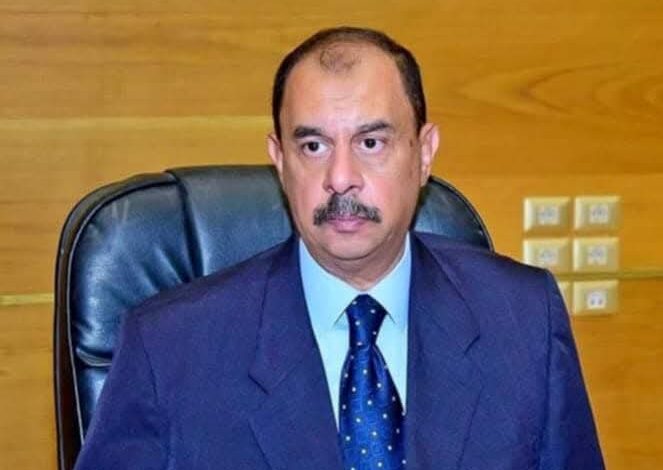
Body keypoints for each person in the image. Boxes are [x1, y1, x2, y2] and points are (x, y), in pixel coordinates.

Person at [75, 27, 604, 469]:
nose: (341, 177)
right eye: (313, 146)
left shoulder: (523, 317)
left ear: (424, 154)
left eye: (371, 143)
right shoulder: (171, 347)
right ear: (280, 161)